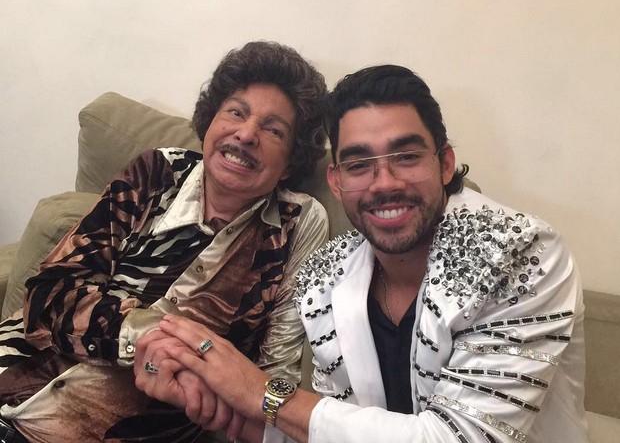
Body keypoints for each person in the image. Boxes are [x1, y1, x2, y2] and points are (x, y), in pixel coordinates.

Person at [137, 64, 587, 443]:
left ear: (445, 163)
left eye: (406, 156)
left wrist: (259, 392)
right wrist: (222, 406)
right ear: (335, 181)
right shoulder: (326, 275)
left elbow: (460, 437)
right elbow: (340, 428)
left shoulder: (520, 252)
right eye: (358, 164)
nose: (385, 182)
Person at [0, 40, 330, 442]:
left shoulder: (298, 222)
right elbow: (49, 292)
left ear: (289, 163)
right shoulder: (156, 172)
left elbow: (276, 371)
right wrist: (152, 337)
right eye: (236, 112)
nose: (246, 134)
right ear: (210, 121)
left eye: (273, 129)